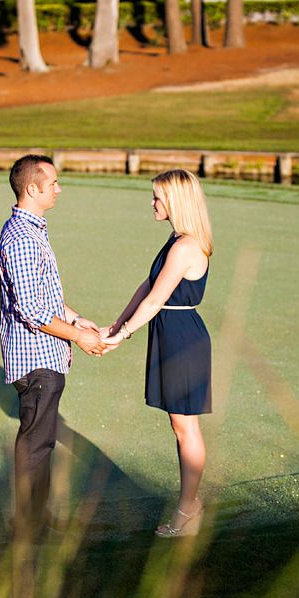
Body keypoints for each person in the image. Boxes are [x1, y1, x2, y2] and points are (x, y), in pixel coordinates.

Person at [0, 154, 106, 538]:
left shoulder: (34, 230)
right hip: (35, 356)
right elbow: (29, 310)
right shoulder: (22, 237)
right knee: (35, 443)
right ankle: (26, 526)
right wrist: (80, 337)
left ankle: (36, 517)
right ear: (33, 188)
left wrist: (76, 319)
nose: (59, 189)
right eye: (53, 183)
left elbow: (43, 298)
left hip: (47, 353)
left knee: (42, 441)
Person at [101, 168, 213, 537]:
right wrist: (117, 324)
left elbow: (155, 299)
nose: (152, 203)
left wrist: (123, 335)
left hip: (182, 338)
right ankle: (190, 504)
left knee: (185, 426)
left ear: (175, 201)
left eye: (157, 197)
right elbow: (147, 285)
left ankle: (188, 508)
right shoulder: (175, 240)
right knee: (179, 424)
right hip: (170, 334)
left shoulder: (185, 247)